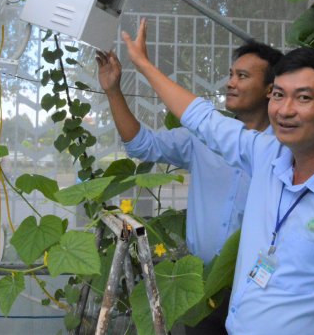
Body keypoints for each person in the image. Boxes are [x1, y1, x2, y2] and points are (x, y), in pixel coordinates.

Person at [118, 19, 314, 335]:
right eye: (279, 95)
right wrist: (143, 65)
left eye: (304, 97)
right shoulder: (267, 155)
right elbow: (203, 120)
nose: (285, 110)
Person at [95, 26, 282, 335]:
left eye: (243, 77)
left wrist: (143, 63)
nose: (230, 83)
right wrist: (113, 90)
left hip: (259, 290)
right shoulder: (203, 138)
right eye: (231, 74)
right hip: (201, 286)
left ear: (269, 89)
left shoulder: (284, 151)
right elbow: (142, 145)